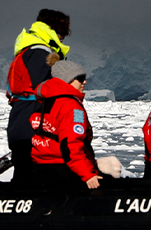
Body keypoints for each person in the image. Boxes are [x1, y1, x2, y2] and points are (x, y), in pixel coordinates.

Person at [6, 9, 71, 186]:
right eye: (62, 31)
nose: (64, 37)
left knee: (24, 176)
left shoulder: (29, 49)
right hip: (33, 125)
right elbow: (46, 88)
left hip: (21, 122)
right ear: (53, 30)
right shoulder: (40, 52)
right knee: (34, 179)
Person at [29, 59, 103, 190]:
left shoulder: (45, 102)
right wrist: (87, 174)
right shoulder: (70, 106)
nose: (84, 82)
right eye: (80, 78)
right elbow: (71, 145)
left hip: (39, 169)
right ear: (68, 80)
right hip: (64, 171)